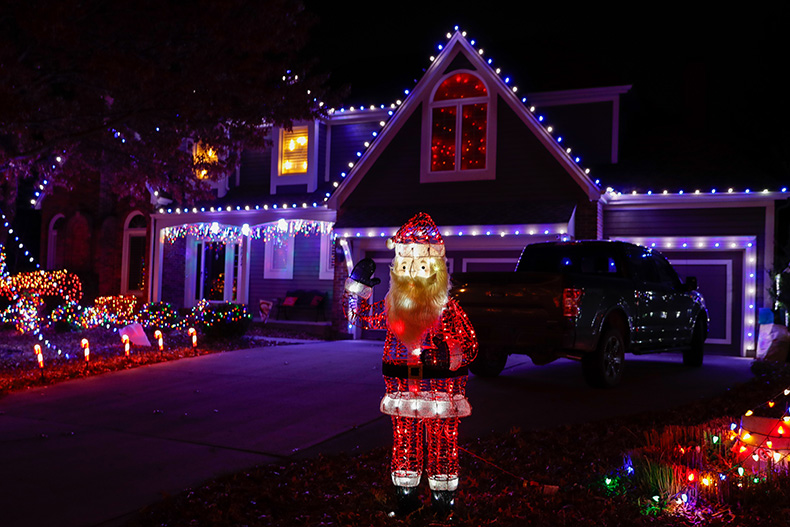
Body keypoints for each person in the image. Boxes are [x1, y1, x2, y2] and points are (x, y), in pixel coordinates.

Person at [342, 212, 478, 514]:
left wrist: (447, 355)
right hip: (403, 394)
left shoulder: (448, 310)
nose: (412, 274)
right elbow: (358, 316)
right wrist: (356, 286)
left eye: (421, 267)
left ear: (436, 270)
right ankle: (406, 499)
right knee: (405, 447)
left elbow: (470, 344)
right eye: (405, 267)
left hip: (440, 395)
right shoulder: (393, 307)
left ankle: (443, 505)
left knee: (443, 447)